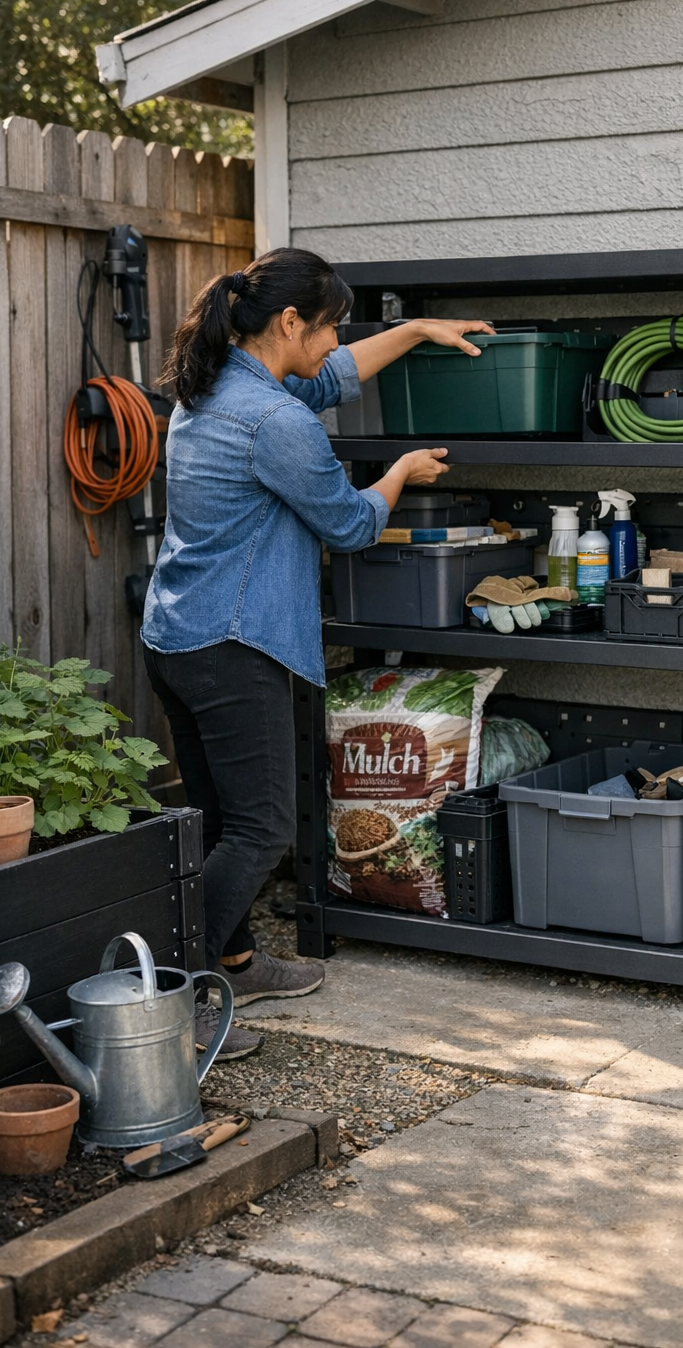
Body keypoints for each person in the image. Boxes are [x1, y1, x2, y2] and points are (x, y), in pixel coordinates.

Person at [142, 247, 491, 1059]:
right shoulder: (275, 422)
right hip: (235, 645)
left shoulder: (221, 383)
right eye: (330, 325)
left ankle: (232, 960)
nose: (338, 341)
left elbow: (332, 376)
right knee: (262, 830)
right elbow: (352, 525)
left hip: (178, 637)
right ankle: (174, 1007)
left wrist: (411, 330)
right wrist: (401, 469)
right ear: (290, 322)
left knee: (222, 821)